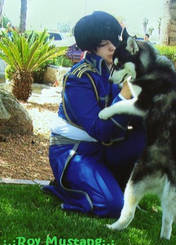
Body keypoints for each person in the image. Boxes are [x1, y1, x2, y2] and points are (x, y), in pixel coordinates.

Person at [43, 11, 146, 218]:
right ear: (91, 45)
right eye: (103, 43)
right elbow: (100, 130)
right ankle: (63, 188)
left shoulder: (119, 70)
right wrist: (125, 96)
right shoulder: (78, 78)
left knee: (151, 135)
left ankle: (116, 186)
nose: (112, 47)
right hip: (74, 151)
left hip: (103, 148)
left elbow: (137, 120)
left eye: (114, 40)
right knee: (112, 207)